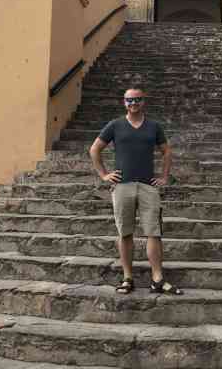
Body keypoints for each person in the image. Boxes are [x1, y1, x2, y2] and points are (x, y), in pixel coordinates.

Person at [89, 86, 183, 296]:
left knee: (154, 233)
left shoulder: (153, 126)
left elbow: (167, 151)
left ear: (143, 101)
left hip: (148, 186)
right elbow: (94, 149)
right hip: (122, 185)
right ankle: (127, 278)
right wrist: (104, 175)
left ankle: (157, 279)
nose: (133, 103)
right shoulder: (115, 125)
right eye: (129, 100)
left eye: (137, 99)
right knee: (125, 232)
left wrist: (164, 177)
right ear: (124, 102)